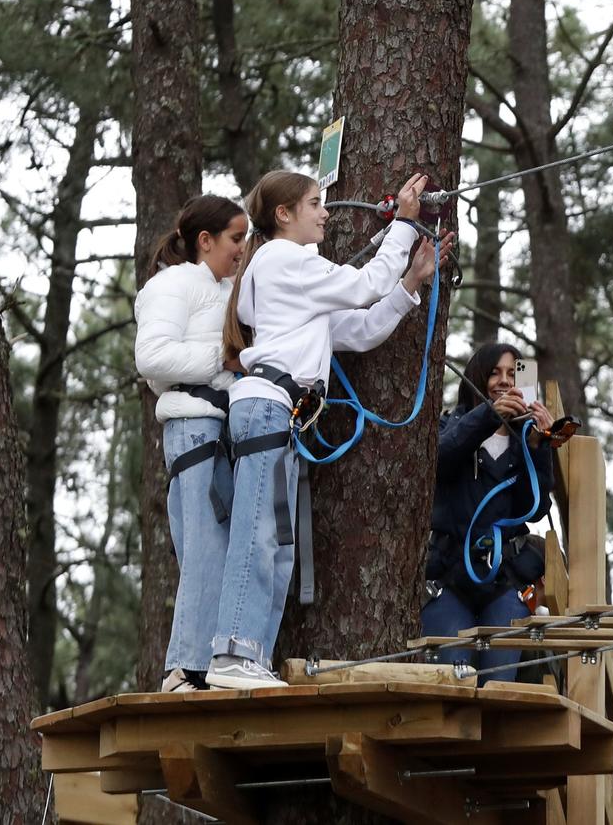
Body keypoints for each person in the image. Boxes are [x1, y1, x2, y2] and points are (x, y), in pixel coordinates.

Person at [208, 170, 450, 690]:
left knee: (277, 542)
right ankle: (232, 654)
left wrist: (409, 284)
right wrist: (404, 225)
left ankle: (247, 657)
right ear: (284, 215)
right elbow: (363, 287)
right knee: (260, 534)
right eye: (316, 204)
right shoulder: (283, 261)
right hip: (269, 411)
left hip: (277, 415)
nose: (325, 214)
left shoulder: (291, 282)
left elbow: (359, 330)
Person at [135, 194, 249, 693]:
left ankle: (205, 665)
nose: (243, 249)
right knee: (205, 548)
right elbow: (153, 358)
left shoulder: (225, 287)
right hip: (193, 426)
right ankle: (184, 668)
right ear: (205, 241)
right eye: (236, 239)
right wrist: (223, 356)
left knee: (221, 549)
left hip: (220, 429)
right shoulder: (173, 283)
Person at [422, 341, 556, 684]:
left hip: (504, 579)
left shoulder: (525, 439)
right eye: (495, 372)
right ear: (477, 377)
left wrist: (537, 449)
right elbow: (439, 461)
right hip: (450, 576)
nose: (505, 381)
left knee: (498, 681)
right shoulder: (451, 426)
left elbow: (536, 507)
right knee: (449, 682)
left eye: (513, 374)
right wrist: (488, 415)